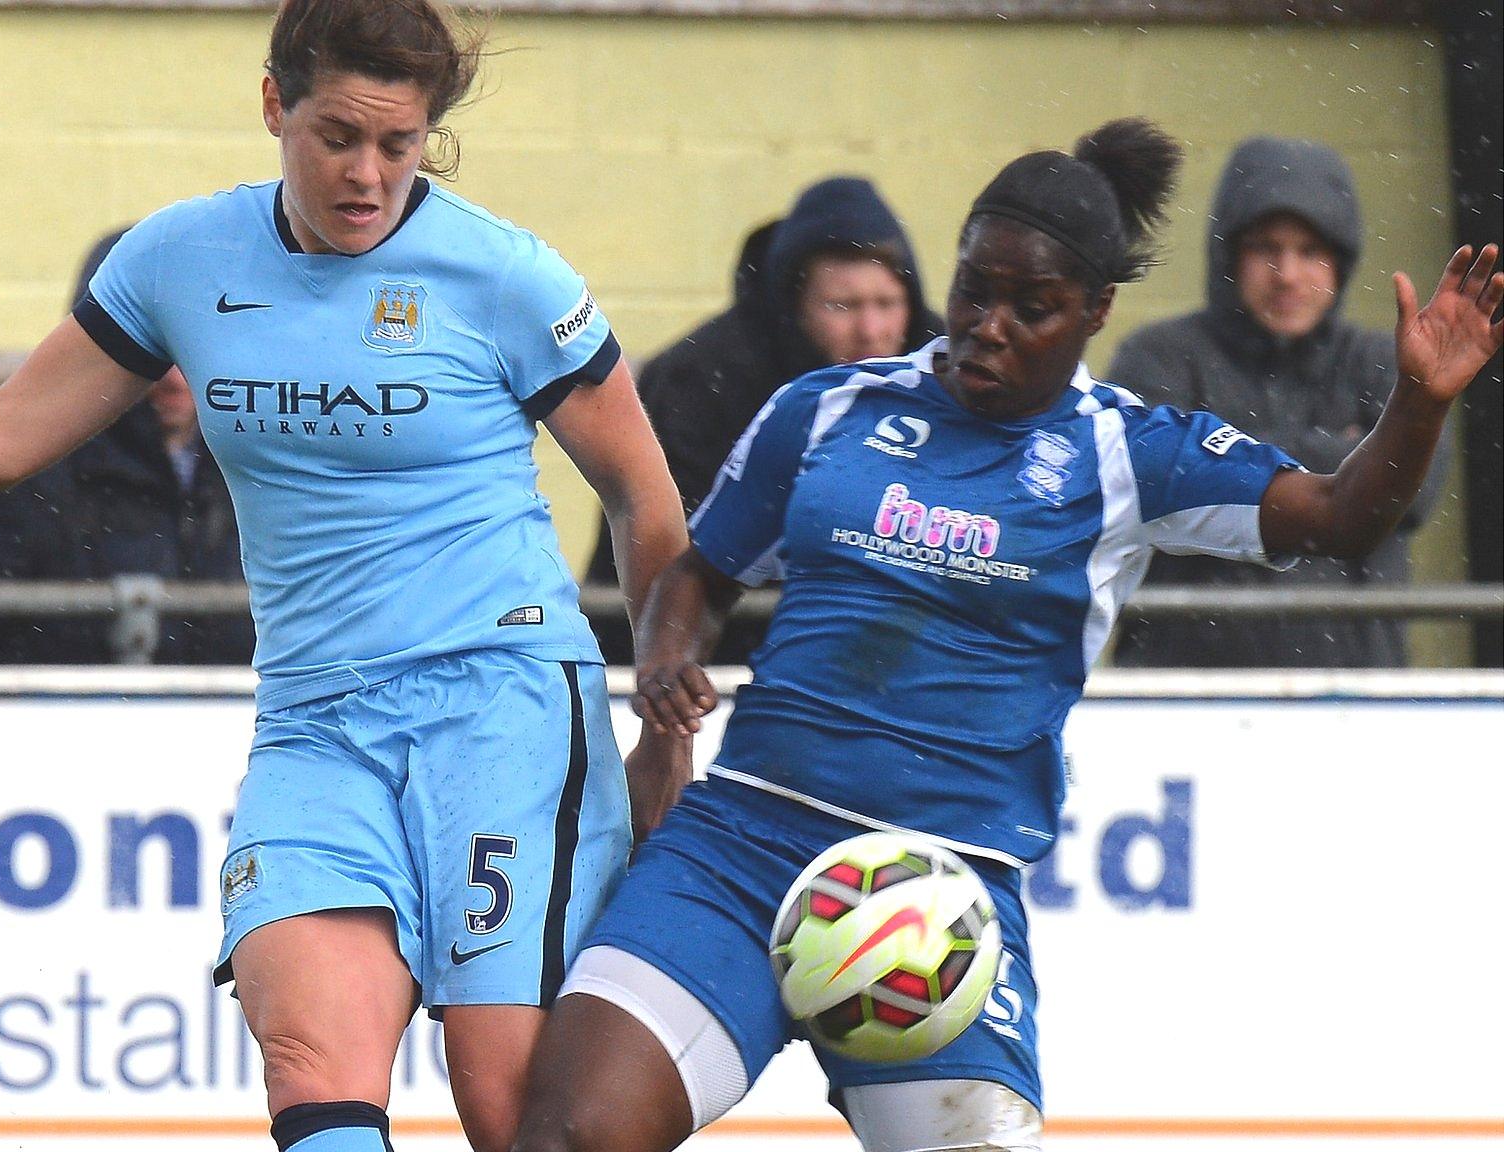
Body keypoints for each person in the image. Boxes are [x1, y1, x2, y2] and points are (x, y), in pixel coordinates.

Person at [0, 3, 689, 1150]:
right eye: (337, 135)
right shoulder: (181, 262)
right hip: (316, 723)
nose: (368, 175)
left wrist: (661, 713)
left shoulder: (506, 277)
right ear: (274, 104)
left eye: (400, 144)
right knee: (311, 1067)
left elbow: (643, 496)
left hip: (502, 704)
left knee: (505, 1104)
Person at [513, 119, 1501, 1152]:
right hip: (740, 847)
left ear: (1093, 313)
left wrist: (1420, 407)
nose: (986, 324)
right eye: (971, 289)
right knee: (566, 1133)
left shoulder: (1128, 454)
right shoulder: (827, 409)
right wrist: (667, 681)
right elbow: (698, 577)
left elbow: (1344, 515)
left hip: (937, 891)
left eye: (1030, 308)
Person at [1109, 137, 1445, 668]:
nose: (1288, 275)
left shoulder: (1386, 361)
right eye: (1266, 248)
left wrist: (1218, 451)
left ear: (1340, 260)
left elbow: (1413, 489)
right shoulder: (1159, 356)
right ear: (1230, 254)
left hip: (1359, 702)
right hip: (1177, 702)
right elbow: (1146, 476)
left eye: (1310, 251)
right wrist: (1341, 457)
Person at [582, 177, 943, 663]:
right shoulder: (700, 379)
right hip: (703, 660)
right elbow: (673, 550)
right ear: (793, 305)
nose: (871, 330)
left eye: (887, 304)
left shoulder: (950, 372)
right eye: (844, 306)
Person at [0, 229, 253, 665]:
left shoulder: (261, 465)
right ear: (99, 349)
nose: (174, 376)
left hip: (233, 728)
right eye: (150, 350)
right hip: (52, 730)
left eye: (193, 346)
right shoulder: (29, 467)